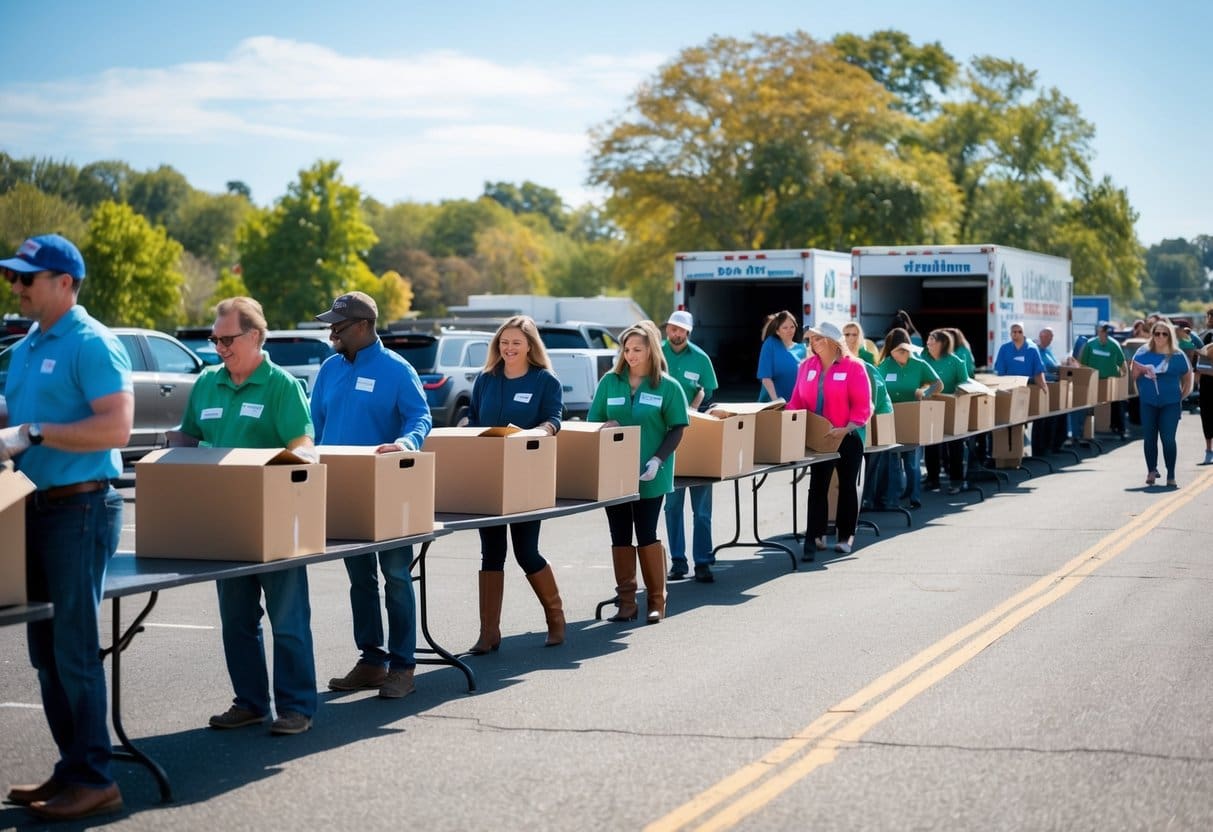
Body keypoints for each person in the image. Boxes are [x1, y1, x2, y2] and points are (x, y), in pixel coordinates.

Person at [0, 235, 133, 821]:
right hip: (33, 506)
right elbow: (18, 413)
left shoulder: (92, 342)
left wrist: (33, 433)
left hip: (80, 508)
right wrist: (13, 424)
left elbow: (117, 428)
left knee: (73, 650)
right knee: (45, 653)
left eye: (26, 277)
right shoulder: (28, 344)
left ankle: (96, 778)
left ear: (64, 283)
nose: (16, 286)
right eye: (12, 276)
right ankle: (72, 767)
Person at [174, 297, 319, 736]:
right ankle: (251, 702)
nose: (219, 347)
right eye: (215, 340)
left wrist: (300, 460)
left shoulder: (281, 385)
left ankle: (296, 707)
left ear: (255, 336)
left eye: (228, 339)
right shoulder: (207, 383)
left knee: (288, 620)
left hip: (276, 520)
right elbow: (188, 437)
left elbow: (303, 444)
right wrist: (159, 455)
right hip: (226, 520)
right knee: (237, 620)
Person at [310, 292, 433, 699]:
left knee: (396, 576)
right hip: (342, 489)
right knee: (360, 579)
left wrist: (406, 442)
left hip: (387, 488)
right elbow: (315, 424)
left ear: (363, 326)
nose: (332, 332)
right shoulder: (329, 369)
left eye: (339, 326)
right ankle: (371, 661)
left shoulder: (396, 369)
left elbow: (420, 416)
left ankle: (403, 666)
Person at [464, 315, 565, 652]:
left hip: (526, 475)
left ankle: (555, 618)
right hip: (489, 475)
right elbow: (475, 418)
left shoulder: (545, 380)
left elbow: (554, 419)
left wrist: (540, 432)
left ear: (530, 346)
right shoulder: (486, 379)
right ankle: (488, 633)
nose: (509, 348)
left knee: (526, 552)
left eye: (516, 343)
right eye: (504, 342)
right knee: (491, 553)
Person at [590, 321, 688, 624]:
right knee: (619, 534)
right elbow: (593, 422)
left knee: (646, 533)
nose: (631, 355)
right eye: (627, 349)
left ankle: (657, 600)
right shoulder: (610, 382)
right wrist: (605, 425)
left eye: (637, 349)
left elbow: (677, 427)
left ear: (651, 351)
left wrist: (658, 460)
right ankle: (627, 603)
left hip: (651, 473)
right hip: (614, 475)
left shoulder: (667, 386)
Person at [788, 322, 872, 556]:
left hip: (848, 435)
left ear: (833, 341)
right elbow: (796, 400)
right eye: (811, 339)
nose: (813, 343)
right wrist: (788, 417)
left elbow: (863, 405)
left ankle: (845, 536)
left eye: (818, 338)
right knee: (817, 486)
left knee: (846, 486)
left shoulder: (854, 366)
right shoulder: (806, 366)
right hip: (819, 436)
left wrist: (846, 428)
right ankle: (815, 536)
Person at [660, 310, 719, 583]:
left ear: (688, 332)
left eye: (680, 329)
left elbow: (708, 391)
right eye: (672, 328)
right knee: (672, 506)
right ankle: (678, 561)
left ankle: (703, 561)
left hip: (697, 434)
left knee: (702, 508)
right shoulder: (656, 354)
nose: (675, 333)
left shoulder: (701, 358)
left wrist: (695, 407)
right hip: (665, 436)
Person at [877, 328, 942, 509]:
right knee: (893, 462)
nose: (902, 354)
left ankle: (915, 496)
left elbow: (938, 384)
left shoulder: (919, 364)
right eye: (898, 350)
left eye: (904, 350)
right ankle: (893, 499)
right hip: (891, 417)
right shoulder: (884, 365)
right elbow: (876, 388)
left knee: (912, 462)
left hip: (912, 416)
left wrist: (925, 393)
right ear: (891, 350)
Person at [1131, 322, 1193, 487]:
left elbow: (1188, 378)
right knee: (1149, 437)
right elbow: (1133, 376)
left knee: (1168, 439)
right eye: (1157, 333)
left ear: (1170, 336)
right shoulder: (1142, 353)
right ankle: (1151, 470)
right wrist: (1142, 377)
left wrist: (1181, 396)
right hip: (1148, 403)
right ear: (1152, 335)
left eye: (1164, 334)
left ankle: (1171, 475)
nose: (1160, 337)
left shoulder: (1178, 355)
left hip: (1170, 404)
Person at [921, 329, 971, 494]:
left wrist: (957, 394)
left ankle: (956, 481)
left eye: (932, 340)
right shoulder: (923, 359)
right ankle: (932, 479)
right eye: (928, 340)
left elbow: (964, 383)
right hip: (930, 406)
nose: (928, 343)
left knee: (955, 445)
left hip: (951, 407)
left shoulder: (956, 361)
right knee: (931, 444)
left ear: (942, 343)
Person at [1079, 322, 1128, 440]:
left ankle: (1119, 430)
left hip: (1110, 381)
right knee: (1090, 407)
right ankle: (1088, 431)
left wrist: (1124, 376)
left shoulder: (1114, 345)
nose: (1104, 334)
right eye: (1102, 331)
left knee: (1117, 405)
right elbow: (1083, 364)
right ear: (1098, 332)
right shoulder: (1090, 344)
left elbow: (1122, 363)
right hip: (1094, 381)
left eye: (1106, 332)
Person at [757, 310, 804, 402]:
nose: (789, 330)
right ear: (777, 331)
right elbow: (766, 378)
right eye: (785, 328)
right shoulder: (770, 344)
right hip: (773, 404)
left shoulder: (802, 349)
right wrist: (776, 402)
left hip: (794, 405)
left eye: (792, 327)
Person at [1199, 309, 1213, 465]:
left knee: (1207, 415)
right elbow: (1197, 363)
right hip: (1207, 382)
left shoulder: (1203, 335)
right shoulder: (1203, 335)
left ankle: (1209, 451)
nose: (1209, 319)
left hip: (1206, 381)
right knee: (1207, 416)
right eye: (1209, 316)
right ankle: (1209, 451)